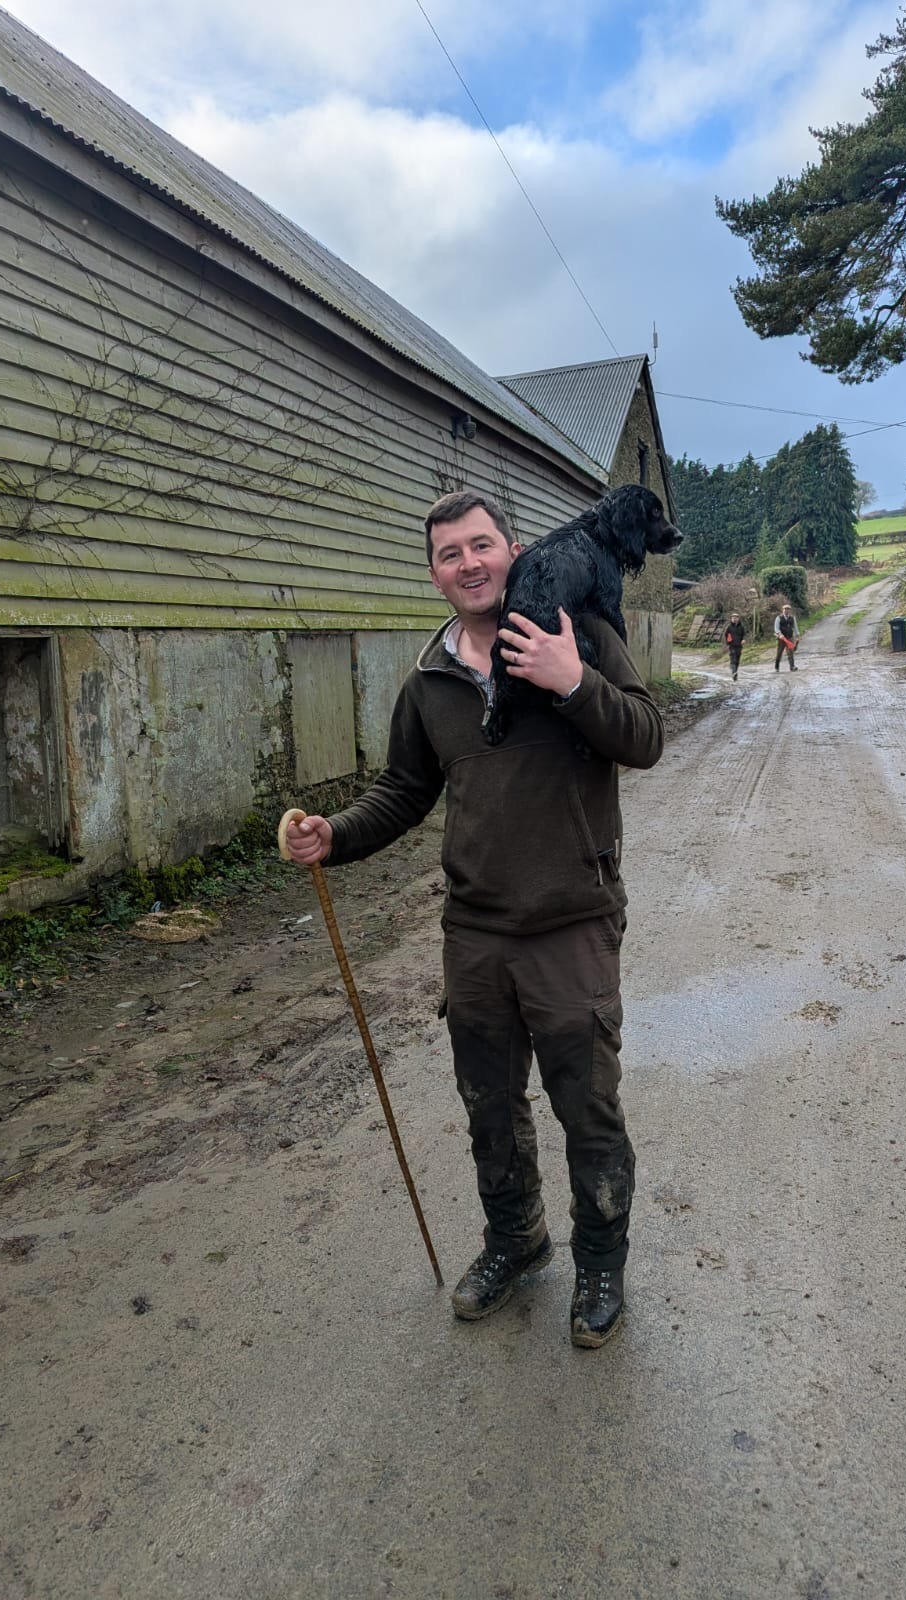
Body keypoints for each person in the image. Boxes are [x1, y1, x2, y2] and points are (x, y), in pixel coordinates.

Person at [283, 488, 663, 1349]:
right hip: (477, 931)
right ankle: (515, 1239)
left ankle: (601, 1262)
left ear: (513, 547)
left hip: (572, 918)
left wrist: (573, 685)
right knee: (488, 1105)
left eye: (482, 545)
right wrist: (331, 836)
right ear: (435, 574)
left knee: (587, 1108)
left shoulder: (581, 631)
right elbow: (405, 791)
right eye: (450, 553)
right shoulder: (430, 680)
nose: (470, 563)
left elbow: (643, 738)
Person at [773, 602, 800, 671]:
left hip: (790, 637)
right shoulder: (779, 618)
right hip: (781, 638)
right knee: (779, 653)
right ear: (782, 610)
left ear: (789, 610)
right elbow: (776, 628)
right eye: (785, 609)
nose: (786, 610)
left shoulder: (792, 618)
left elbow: (795, 627)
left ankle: (792, 666)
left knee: (790, 652)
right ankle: (777, 667)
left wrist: (797, 635)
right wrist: (779, 634)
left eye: (788, 609)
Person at [724, 612, 745, 680]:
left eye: (735, 618)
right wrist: (728, 642)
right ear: (731, 619)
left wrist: (743, 639)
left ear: (738, 619)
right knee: (733, 658)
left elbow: (744, 634)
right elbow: (726, 635)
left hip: (739, 645)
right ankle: (734, 672)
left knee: (737, 660)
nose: (734, 619)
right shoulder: (729, 627)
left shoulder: (741, 627)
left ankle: (735, 672)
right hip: (732, 645)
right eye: (733, 618)